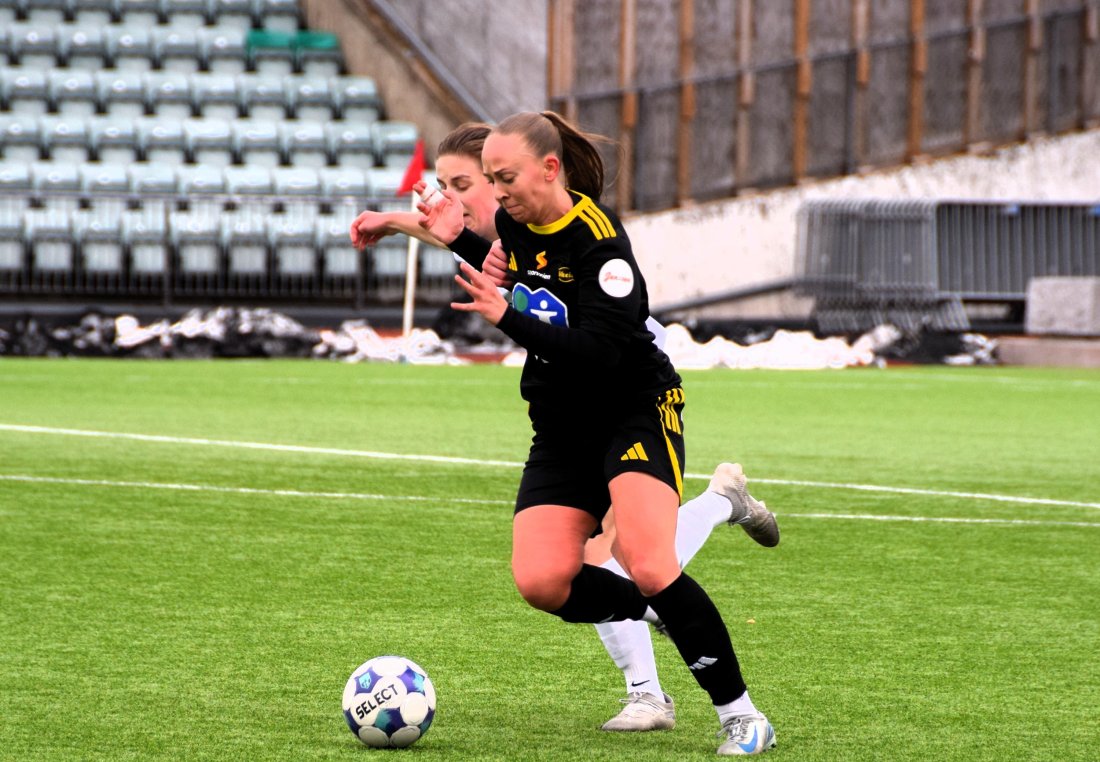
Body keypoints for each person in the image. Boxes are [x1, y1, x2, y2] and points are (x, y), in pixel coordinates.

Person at [350, 121, 779, 751]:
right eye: (489, 181)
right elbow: (516, 275)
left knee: (652, 560)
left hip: (633, 409)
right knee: (543, 580)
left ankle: (742, 716)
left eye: (503, 179)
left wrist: (509, 318)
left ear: (549, 169)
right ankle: (662, 608)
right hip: (560, 425)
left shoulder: (601, 245)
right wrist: (425, 232)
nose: (495, 193)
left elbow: (600, 352)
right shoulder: (520, 224)